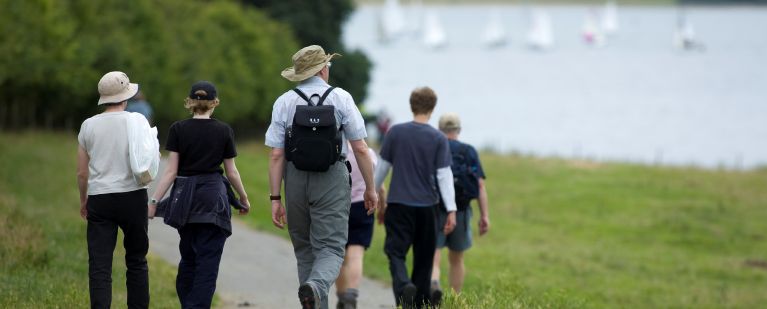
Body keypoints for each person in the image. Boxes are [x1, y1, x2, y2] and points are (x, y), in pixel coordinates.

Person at [265, 45, 378, 309]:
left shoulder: (284, 102)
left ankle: (312, 296)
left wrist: (274, 198)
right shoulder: (341, 98)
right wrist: (371, 188)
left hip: (294, 179)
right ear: (324, 69)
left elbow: (275, 156)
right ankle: (315, 287)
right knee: (331, 249)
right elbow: (360, 148)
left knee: (304, 250)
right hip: (331, 179)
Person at [147, 81, 250, 308]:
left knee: (188, 259)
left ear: (190, 102)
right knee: (207, 265)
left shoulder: (178, 129)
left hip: (184, 201)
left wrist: (154, 201)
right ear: (215, 103)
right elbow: (231, 172)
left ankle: (188, 304)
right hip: (213, 201)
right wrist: (243, 198)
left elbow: (171, 171)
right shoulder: (224, 130)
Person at [374, 86, 457, 309]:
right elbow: (444, 176)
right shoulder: (439, 138)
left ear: (411, 105)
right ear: (432, 108)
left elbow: (382, 168)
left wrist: (372, 193)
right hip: (428, 207)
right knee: (424, 260)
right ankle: (418, 303)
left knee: (395, 252)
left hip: (399, 204)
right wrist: (451, 209)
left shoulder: (395, 132)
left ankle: (403, 286)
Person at [77, 71, 150, 308]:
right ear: (125, 97)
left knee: (99, 265)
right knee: (137, 260)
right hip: (133, 196)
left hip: (100, 198)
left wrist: (83, 199)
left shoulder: (88, 125)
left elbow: (82, 172)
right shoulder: (136, 120)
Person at [430, 113, 490, 297]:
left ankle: (434, 283)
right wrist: (484, 215)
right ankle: (455, 298)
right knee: (457, 258)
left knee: (434, 254)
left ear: (439, 130)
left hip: (436, 208)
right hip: (462, 210)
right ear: (458, 130)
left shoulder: (434, 148)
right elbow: (479, 185)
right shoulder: (469, 151)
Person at [335, 142, 385, 309]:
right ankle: (351, 295)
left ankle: (342, 297)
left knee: (339, 256)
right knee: (356, 255)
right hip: (362, 206)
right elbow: (380, 186)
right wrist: (383, 207)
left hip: (338, 206)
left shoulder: (335, 151)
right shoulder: (368, 153)